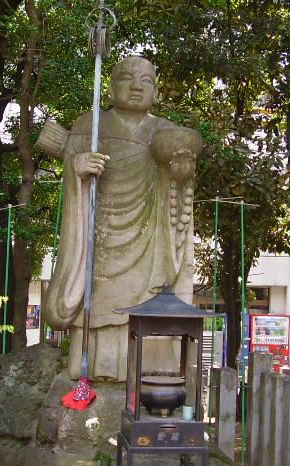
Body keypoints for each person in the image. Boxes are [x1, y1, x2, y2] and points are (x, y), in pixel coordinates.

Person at [39, 56, 202, 381]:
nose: (137, 86)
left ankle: (152, 370)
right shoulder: (90, 125)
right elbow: (73, 168)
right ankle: (94, 368)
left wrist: (181, 175)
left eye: (146, 80)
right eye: (127, 78)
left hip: (151, 238)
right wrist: (77, 168)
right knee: (98, 297)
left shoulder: (165, 131)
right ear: (111, 87)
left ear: (156, 91)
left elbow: (178, 190)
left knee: (151, 299)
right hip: (100, 235)